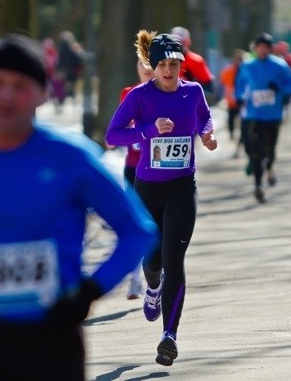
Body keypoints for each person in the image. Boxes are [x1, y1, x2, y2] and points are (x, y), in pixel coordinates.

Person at [0, 33, 156, 380]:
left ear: (43, 93)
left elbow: (137, 230)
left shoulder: (70, 155)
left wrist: (90, 291)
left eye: (21, 85)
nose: (7, 95)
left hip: (54, 334)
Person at [105, 30, 218, 366]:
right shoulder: (139, 97)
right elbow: (113, 135)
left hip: (183, 186)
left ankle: (170, 336)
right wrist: (149, 130)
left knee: (175, 258)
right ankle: (152, 288)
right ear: (152, 67)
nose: (169, 71)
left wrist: (207, 133)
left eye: (174, 64)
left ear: (182, 65)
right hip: (148, 188)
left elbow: (204, 117)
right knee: (152, 262)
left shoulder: (193, 91)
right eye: (163, 65)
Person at [235, 32, 291, 204]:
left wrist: (279, 88)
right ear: (255, 48)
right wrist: (240, 96)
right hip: (253, 114)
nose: (262, 50)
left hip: (273, 115)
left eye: (266, 47)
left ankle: (270, 165)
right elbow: (240, 84)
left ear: (270, 49)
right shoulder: (248, 65)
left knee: (269, 150)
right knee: (255, 151)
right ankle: (258, 185)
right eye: (259, 47)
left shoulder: (279, 65)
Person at [118, 59, 155, 300]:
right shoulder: (128, 94)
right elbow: (118, 128)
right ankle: (134, 281)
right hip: (133, 166)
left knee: (155, 223)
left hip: (158, 169)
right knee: (133, 222)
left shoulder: (169, 94)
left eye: (150, 66)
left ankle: (156, 272)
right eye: (141, 65)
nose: (145, 70)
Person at [170, 26, 215, 93]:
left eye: (181, 42)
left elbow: (208, 88)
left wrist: (190, 83)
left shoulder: (196, 60)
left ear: (188, 42)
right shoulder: (163, 60)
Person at [219, 48, 247, 156]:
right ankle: (232, 135)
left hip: (244, 103)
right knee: (231, 122)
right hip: (231, 102)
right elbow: (222, 84)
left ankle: (239, 145)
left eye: (241, 58)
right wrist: (220, 96)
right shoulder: (228, 71)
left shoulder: (247, 71)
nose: (239, 61)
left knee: (243, 126)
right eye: (238, 58)